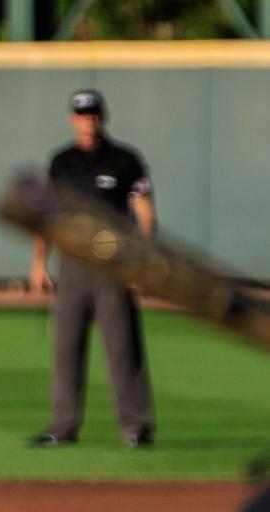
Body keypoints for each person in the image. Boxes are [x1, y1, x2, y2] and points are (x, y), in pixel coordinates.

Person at [29, 89, 158, 448]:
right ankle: (62, 426)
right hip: (72, 264)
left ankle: (136, 428)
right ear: (73, 119)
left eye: (94, 115)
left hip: (113, 266)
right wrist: (39, 262)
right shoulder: (62, 163)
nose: (89, 121)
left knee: (122, 347)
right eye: (82, 116)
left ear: (104, 116)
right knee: (66, 347)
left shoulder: (124, 160)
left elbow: (146, 216)